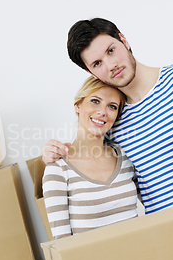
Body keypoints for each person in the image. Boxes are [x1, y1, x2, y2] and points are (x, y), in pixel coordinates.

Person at [43, 18, 173, 214]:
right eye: (97, 63)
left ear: (124, 41)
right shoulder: (110, 119)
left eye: (111, 51)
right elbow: (95, 171)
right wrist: (54, 154)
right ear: (91, 73)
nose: (111, 65)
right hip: (164, 242)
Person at [43, 77, 138, 239]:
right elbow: (62, 244)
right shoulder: (58, 170)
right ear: (78, 105)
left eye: (112, 107)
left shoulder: (126, 158)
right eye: (95, 101)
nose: (102, 111)